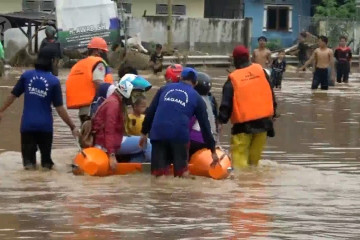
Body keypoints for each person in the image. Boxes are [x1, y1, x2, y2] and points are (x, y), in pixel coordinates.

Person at [0, 46, 79, 170]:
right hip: (45, 127)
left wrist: (1, 111)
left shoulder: (26, 76)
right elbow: (59, 108)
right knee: (47, 166)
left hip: (27, 126)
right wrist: (72, 126)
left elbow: (12, 95)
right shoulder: (54, 81)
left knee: (28, 166)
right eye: (57, 60)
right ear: (52, 61)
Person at [140, 67, 218, 177]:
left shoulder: (164, 89)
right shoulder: (197, 98)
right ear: (195, 83)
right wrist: (213, 150)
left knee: (158, 175)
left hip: (158, 133)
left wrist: (143, 133)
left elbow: (151, 112)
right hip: (179, 135)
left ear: (180, 78)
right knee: (182, 175)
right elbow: (205, 126)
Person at [218, 45, 277, 170]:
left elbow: (225, 106)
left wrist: (220, 122)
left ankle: (243, 189)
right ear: (248, 57)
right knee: (253, 166)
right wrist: (274, 114)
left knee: (240, 169)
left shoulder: (233, 79)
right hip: (264, 125)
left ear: (235, 60)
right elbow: (271, 94)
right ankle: (255, 188)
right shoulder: (261, 72)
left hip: (243, 128)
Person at [92, 74, 152, 168]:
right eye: (135, 94)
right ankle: (158, 167)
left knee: (140, 151)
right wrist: (111, 155)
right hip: (105, 144)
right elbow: (109, 130)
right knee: (146, 142)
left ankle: (131, 168)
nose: (136, 98)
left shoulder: (115, 101)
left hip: (109, 141)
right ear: (126, 90)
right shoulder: (114, 104)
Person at [66, 37, 114, 124]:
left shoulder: (80, 64)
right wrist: (113, 92)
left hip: (83, 110)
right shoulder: (98, 63)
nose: (105, 54)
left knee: (86, 135)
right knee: (95, 136)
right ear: (97, 51)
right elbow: (98, 82)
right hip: (94, 108)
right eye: (103, 51)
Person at [189, 72, 218, 157]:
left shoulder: (193, 99)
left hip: (195, 140)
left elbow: (189, 122)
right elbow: (216, 123)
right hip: (211, 140)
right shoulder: (211, 100)